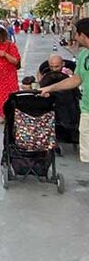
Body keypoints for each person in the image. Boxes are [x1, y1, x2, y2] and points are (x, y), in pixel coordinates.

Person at [40, 18, 89, 162]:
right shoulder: (83, 55)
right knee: (86, 154)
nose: (74, 37)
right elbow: (75, 79)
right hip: (86, 109)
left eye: (76, 34)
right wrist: (49, 87)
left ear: (83, 35)